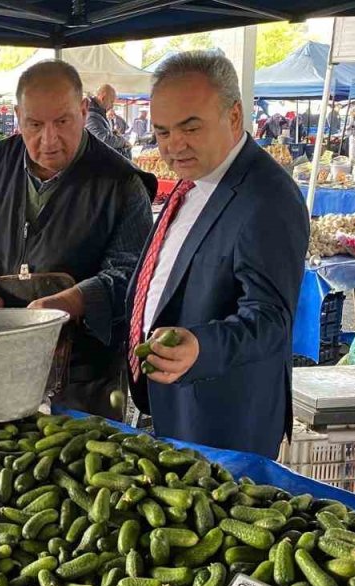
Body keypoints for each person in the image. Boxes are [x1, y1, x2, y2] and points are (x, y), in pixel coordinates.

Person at [0, 60, 155, 418]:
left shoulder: (122, 183)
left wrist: (71, 301)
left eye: (62, 122)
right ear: (18, 117)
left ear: (83, 111)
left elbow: (132, 273)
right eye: (35, 125)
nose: (49, 139)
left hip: (85, 375)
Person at [125, 51, 308, 459]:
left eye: (190, 128)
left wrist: (202, 347)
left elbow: (271, 319)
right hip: (174, 406)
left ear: (234, 116)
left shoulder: (268, 198)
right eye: (162, 132)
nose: (174, 146)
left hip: (223, 423)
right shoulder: (194, 179)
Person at [85, 83, 131, 158]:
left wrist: (111, 133)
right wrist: (123, 141)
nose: (112, 106)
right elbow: (103, 140)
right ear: (103, 98)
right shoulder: (91, 115)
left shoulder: (97, 113)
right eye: (111, 102)